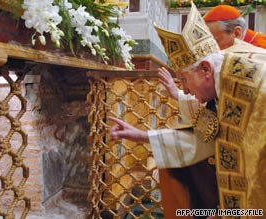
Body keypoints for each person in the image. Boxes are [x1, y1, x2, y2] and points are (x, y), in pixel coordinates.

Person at [109, 2, 266, 219]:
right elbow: (210, 138)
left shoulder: (252, 83)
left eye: (183, 79)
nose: (184, 89)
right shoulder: (224, 80)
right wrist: (140, 135)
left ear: (206, 69)